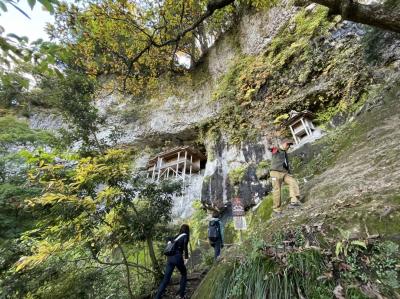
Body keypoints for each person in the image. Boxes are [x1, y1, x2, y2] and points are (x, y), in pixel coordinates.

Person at [155, 224, 190, 299]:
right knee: (184, 273)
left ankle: (157, 297)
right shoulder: (185, 236)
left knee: (166, 279)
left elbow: (168, 238)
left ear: (181, 229)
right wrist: (186, 258)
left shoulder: (177, 236)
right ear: (187, 230)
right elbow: (185, 247)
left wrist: (169, 242)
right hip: (177, 258)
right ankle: (181, 295)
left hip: (170, 258)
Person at [269, 138, 301, 215]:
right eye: (288, 144)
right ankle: (276, 209)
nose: (288, 146)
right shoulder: (277, 149)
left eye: (289, 145)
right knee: (277, 190)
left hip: (284, 173)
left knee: (292, 181)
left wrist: (289, 172)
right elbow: (272, 149)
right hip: (275, 173)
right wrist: (272, 147)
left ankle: (294, 201)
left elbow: (286, 164)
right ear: (283, 144)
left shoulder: (285, 153)